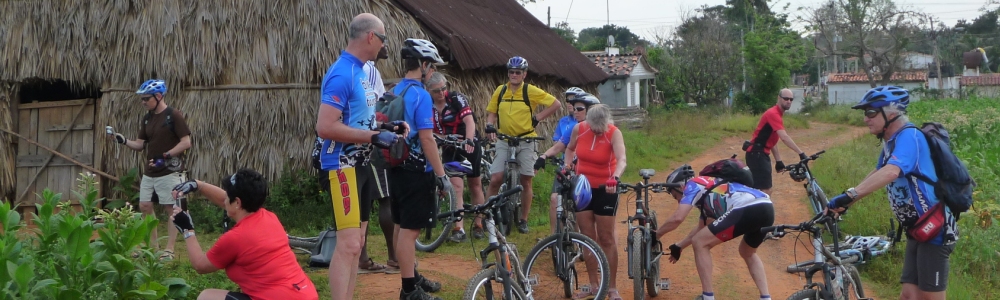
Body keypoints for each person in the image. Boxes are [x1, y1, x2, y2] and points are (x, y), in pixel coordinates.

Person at [827, 86, 957, 300]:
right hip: (918, 229)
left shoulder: (909, 136)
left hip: (935, 229)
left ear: (892, 112)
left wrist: (850, 195)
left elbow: (891, 171)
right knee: (908, 295)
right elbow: (878, 171)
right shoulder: (891, 141)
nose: (865, 119)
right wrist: (846, 200)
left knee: (930, 297)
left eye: (871, 112)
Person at [315, 13, 401, 300]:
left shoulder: (363, 72)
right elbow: (325, 126)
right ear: (370, 37)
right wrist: (375, 137)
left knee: (358, 240)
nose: (383, 46)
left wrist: (385, 127)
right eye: (383, 39)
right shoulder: (343, 73)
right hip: (342, 164)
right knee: (350, 243)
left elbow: (359, 120)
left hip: (361, 164)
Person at [168, 169, 319, 300]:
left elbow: (200, 265)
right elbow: (228, 202)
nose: (225, 199)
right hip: (305, 294)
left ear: (238, 203)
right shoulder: (269, 217)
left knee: (207, 297)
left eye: (229, 196)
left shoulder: (236, 238)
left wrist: (187, 229)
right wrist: (198, 185)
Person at [655, 161, 774, 300]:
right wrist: (679, 246)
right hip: (766, 207)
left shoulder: (693, 184)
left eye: (676, 196)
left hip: (747, 207)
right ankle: (766, 297)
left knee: (700, 243)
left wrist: (656, 235)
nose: (678, 201)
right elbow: (702, 228)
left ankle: (708, 297)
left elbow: (678, 218)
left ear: (681, 186)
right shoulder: (710, 189)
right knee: (747, 252)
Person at [390, 38, 451, 300]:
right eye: (431, 66)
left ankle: (411, 275)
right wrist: (441, 175)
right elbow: (426, 139)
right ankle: (409, 290)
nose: (432, 71)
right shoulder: (420, 95)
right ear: (423, 65)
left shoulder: (395, 90)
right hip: (415, 169)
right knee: (411, 230)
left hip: (395, 166)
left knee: (400, 223)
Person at [108, 79, 191, 261]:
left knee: (172, 208)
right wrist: (123, 141)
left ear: (158, 96)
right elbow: (140, 145)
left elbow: (186, 142)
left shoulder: (173, 115)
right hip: (151, 171)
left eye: (146, 99)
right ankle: (153, 248)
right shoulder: (147, 118)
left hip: (170, 170)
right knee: (145, 206)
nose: (143, 102)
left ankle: (169, 250)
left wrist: (166, 156)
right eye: (142, 99)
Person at [484, 56, 562, 234]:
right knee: (495, 179)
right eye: (511, 72)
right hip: (504, 139)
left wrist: (538, 118)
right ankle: (485, 216)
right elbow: (491, 112)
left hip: (526, 140)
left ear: (524, 74)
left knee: (526, 180)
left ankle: (523, 219)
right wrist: (490, 124)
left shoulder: (530, 91)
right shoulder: (500, 90)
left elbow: (556, 103)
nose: (514, 75)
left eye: (517, 72)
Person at [564, 103, 626, 300]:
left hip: (605, 188)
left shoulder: (614, 133)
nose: (597, 132)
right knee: (587, 238)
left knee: (606, 238)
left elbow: (622, 159)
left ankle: (612, 287)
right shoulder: (579, 129)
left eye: (600, 129)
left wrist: (615, 177)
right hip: (583, 189)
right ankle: (593, 284)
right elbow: (570, 148)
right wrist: (567, 167)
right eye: (593, 128)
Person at [425, 72, 487, 242]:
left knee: (475, 184)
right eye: (437, 91)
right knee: (456, 185)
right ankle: (459, 229)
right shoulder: (428, 104)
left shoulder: (456, 99)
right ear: (429, 91)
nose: (441, 93)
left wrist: (468, 140)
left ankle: (478, 224)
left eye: (444, 88)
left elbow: (469, 121)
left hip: (468, 144)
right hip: (448, 147)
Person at [357, 44, 397, 274]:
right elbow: (375, 106)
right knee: (385, 197)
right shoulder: (370, 69)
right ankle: (393, 256)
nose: (385, 45)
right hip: (370, 140)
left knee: (365, 200)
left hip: (359, 141)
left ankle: (362, 257)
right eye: (382, 40)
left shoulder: (359, 69)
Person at [535, 87, 596, 233]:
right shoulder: (574, 128)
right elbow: (559, 146)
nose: (575, 111)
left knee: (580, 205)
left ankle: (580, 239)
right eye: (574, 108)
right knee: (555, 199)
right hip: (569, 168)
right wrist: (543, 156)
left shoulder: (599, 129)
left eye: (579, 109)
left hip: (588, 173)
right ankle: (555, 238)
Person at [744, 88, 807, 195]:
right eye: (786, 98)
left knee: (759, 189)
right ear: (779, 98)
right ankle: (760, 211)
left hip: (759, 153)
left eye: (791, 99)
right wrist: (801, 153)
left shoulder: (777, 114)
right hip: (757, 153)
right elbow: (784, 137)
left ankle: (755, 210)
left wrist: (778, 160)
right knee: (765, 190)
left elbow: (772, 140)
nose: (789, 101)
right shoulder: (773, 114)